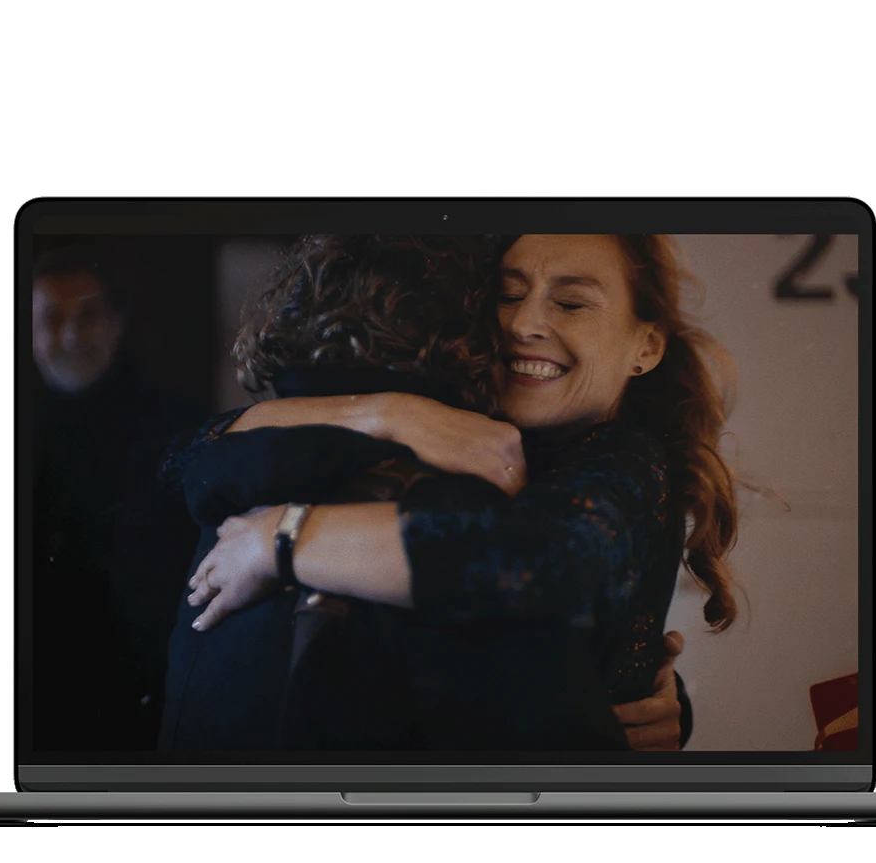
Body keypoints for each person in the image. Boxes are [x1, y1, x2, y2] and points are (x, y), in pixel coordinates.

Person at [187, 234, 739, 749]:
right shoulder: (483, 441)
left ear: (646, 346)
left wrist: (281, 539)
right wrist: (390, 414)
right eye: (508, 296)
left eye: (571, 304)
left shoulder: (629, 458)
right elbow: (190, 454)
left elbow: (535, 560)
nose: (524, 323)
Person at [30, 242, 203, 749]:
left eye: (88, 316)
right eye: (51, 319)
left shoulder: (177, 430)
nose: (70, 336)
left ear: (117, 323)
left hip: (144, 703)